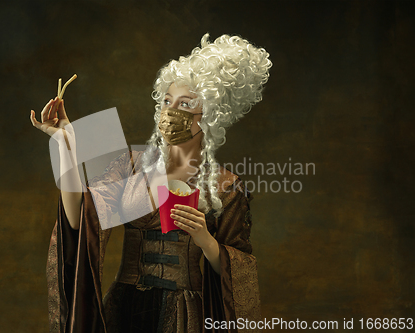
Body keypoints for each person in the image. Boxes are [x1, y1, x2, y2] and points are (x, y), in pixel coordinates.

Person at [31, 33, 272, 333]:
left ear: (207, 116)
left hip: (183, 318)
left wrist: (206, 240)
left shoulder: (226, 186)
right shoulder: (131, 164)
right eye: (167, 101)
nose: (170, 112)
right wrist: (65, 146)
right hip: (125, 311)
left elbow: (241, 274)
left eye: (184, 104)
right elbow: (78, 219)